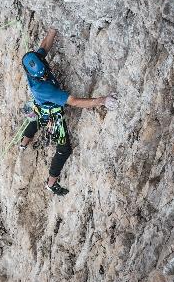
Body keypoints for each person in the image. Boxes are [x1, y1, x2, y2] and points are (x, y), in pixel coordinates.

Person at [21, 27, 117, 196]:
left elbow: (44, 46)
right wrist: (102, 100)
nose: (44, 77)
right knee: (64, 149)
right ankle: (51, 183)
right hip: (51, 113)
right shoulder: (44, 88)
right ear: (36, 76)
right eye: (42, 76)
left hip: (38, 105)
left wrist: (53, 29)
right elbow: (74, 101)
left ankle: (23, 143)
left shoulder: (34, 64)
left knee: (36, 120)